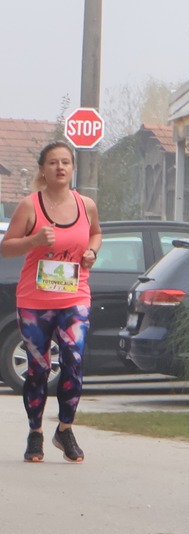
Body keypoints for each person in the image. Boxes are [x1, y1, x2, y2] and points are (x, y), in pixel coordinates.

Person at [2, 143, 103, 464]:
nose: (60, 168)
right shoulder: (30, 206)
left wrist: (92, 253)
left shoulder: (86, 205)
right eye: (53, 163)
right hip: (35, 299)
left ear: (72, 168)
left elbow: (96, 234)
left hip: (75, 295)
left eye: (66, 163)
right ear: (42, 169)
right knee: (39, 368)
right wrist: (33, 241)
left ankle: (65, 428)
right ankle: (35, 434)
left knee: (73, 359)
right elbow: (7, 248)